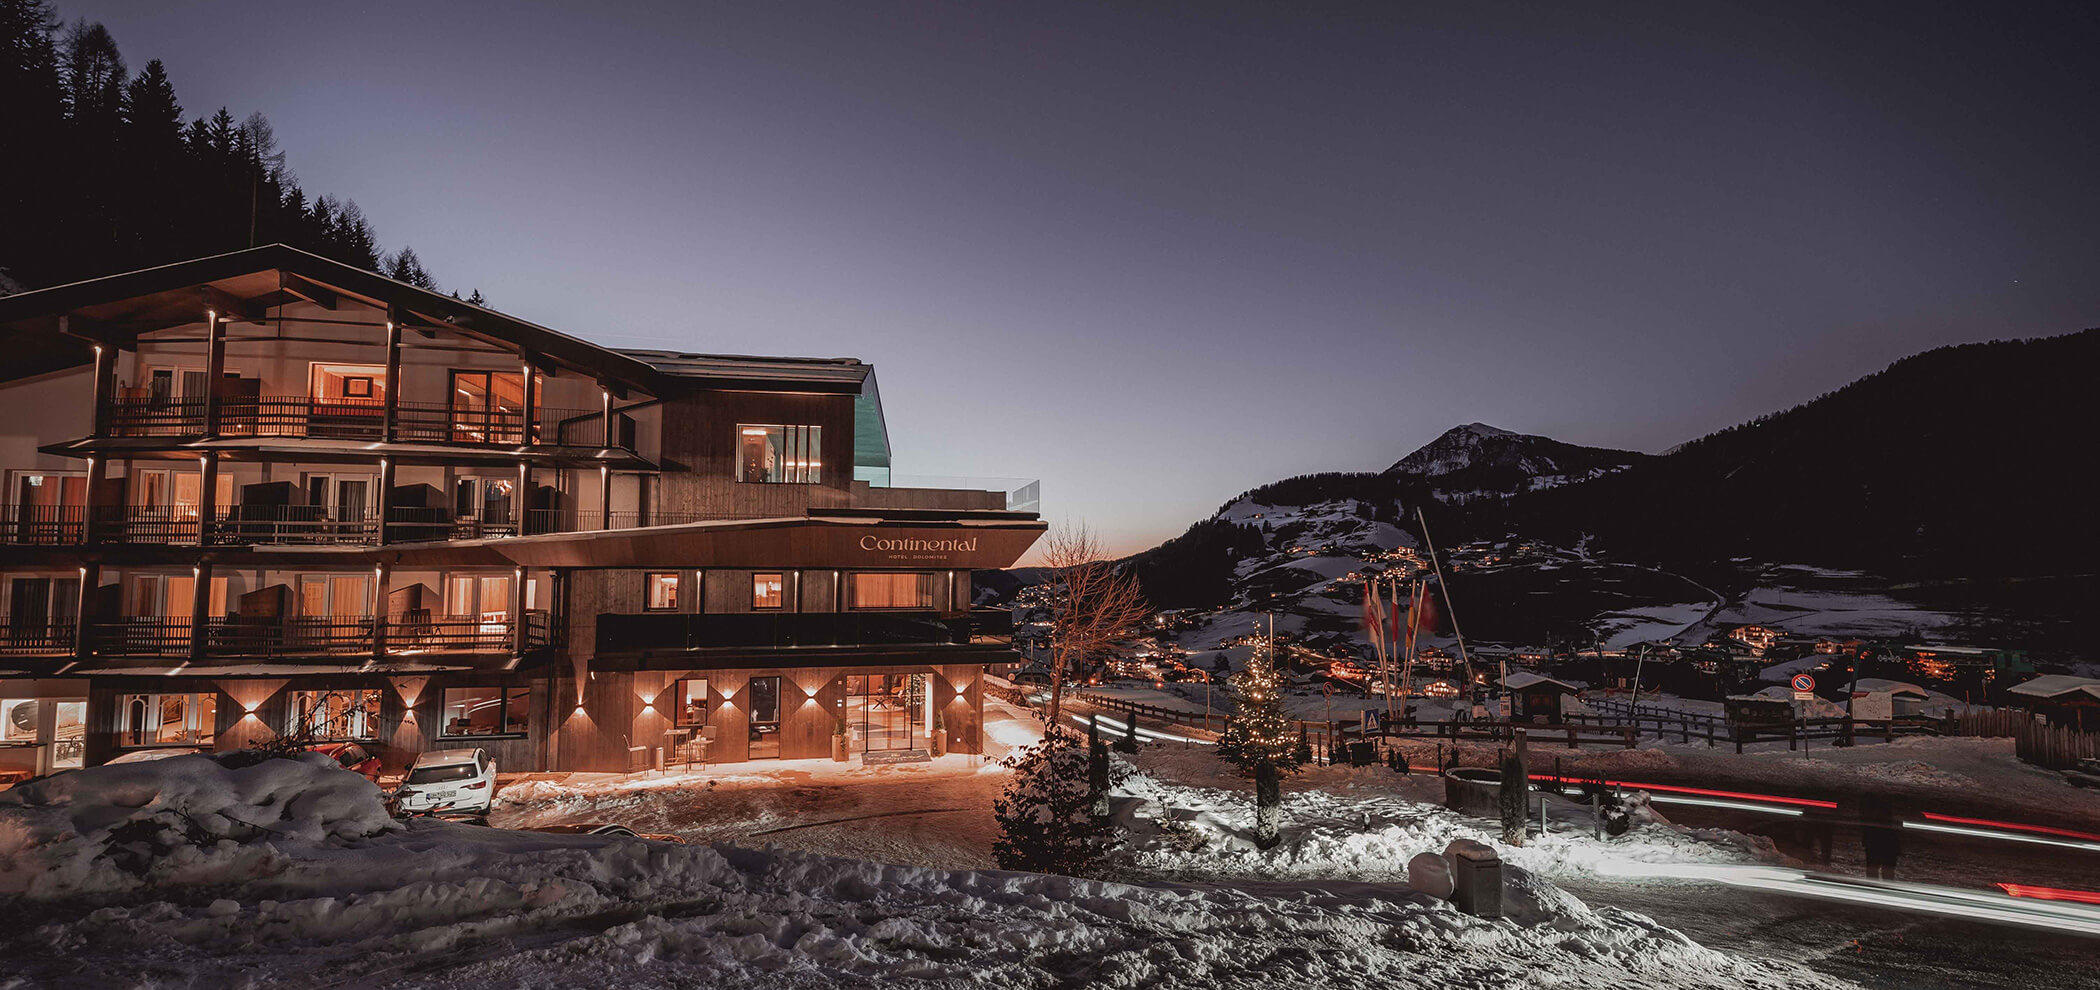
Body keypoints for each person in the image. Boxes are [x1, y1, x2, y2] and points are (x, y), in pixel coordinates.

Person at [1859, 792, 1902, 880]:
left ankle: (1874, 887)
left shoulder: (1872, 826)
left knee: (1874, 869)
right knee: (1886, 871)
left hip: (1875, 842)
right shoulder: (1888, 828)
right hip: (1884, 843)